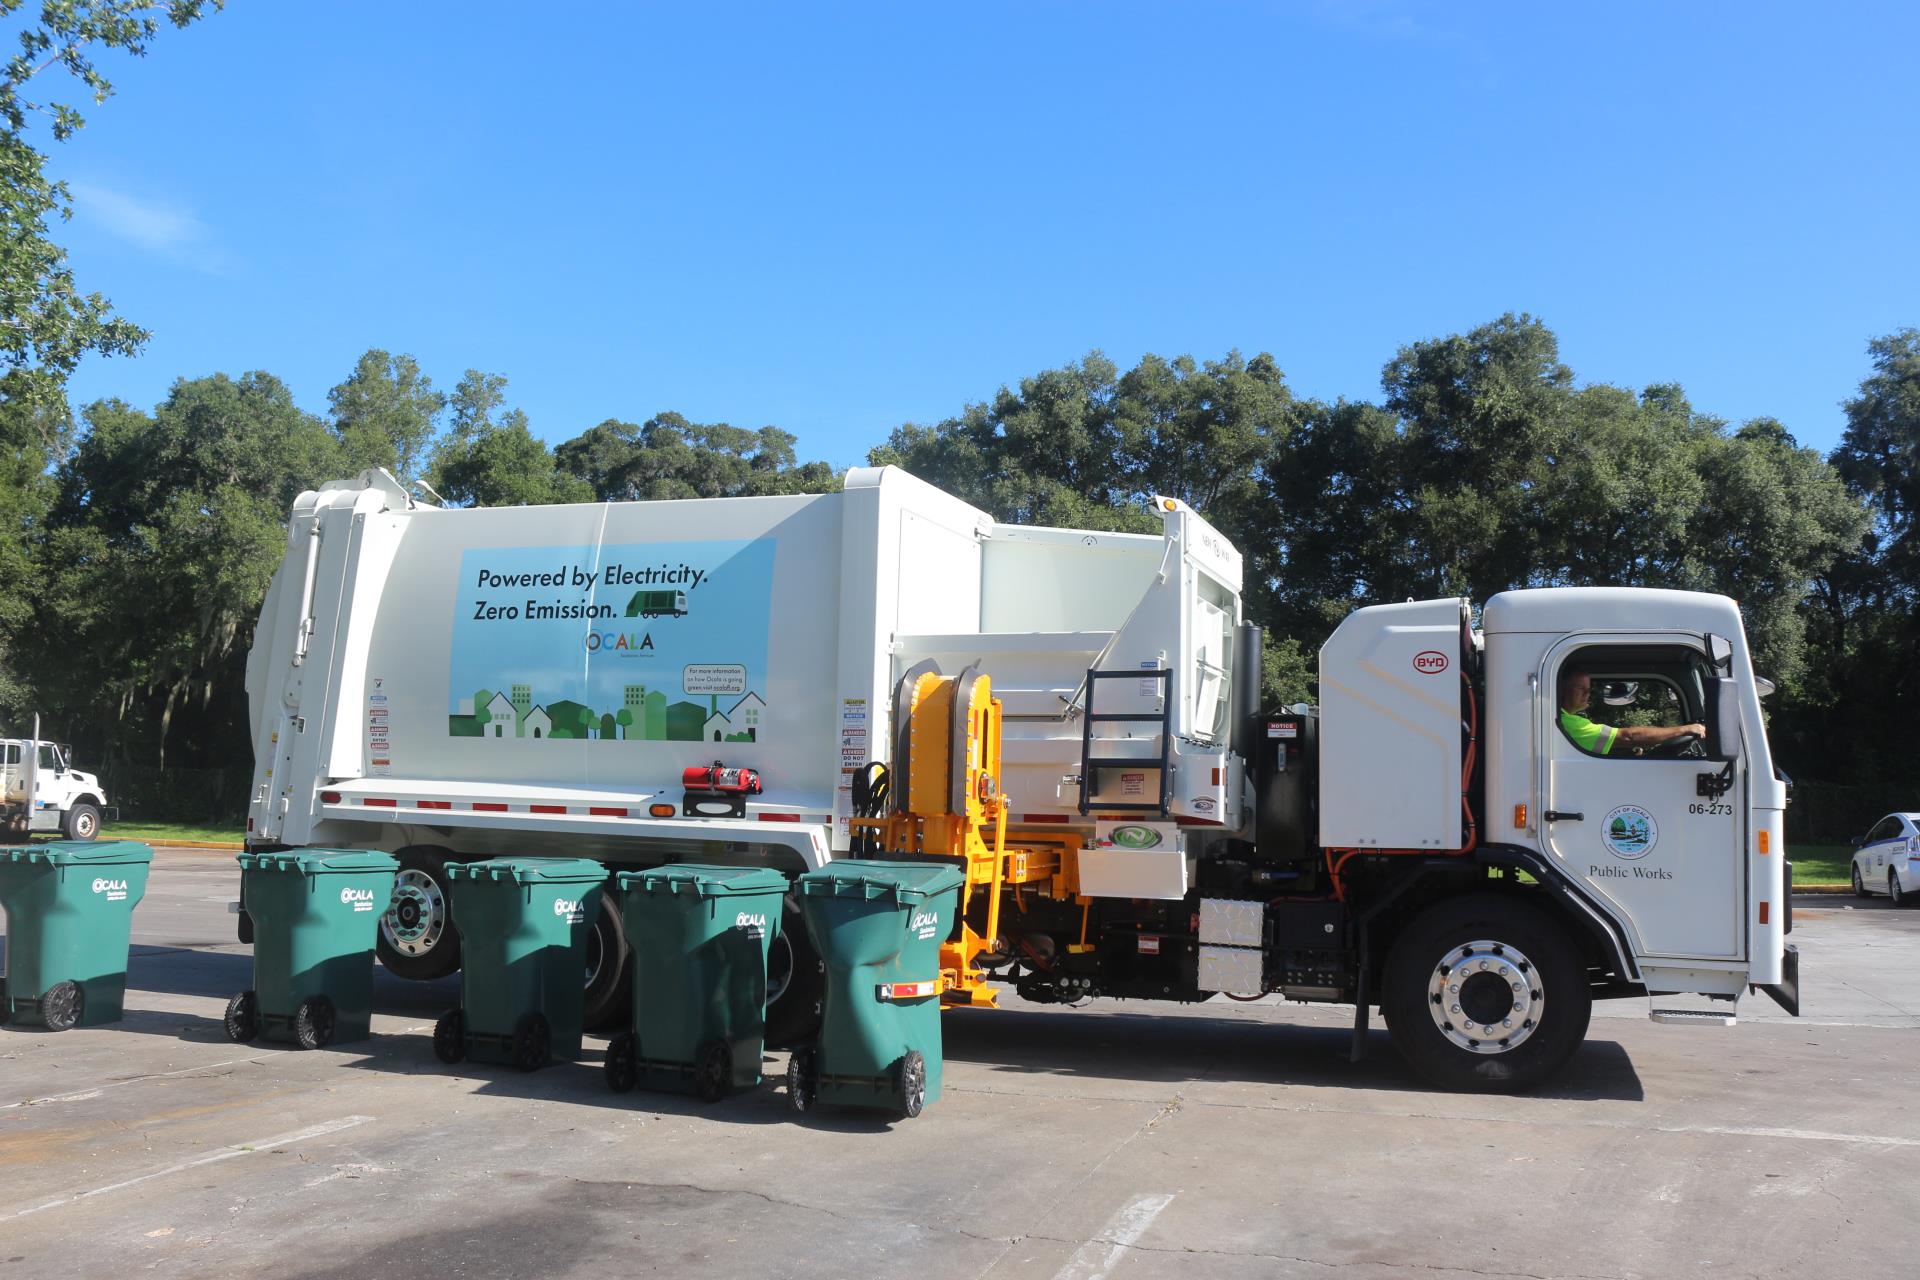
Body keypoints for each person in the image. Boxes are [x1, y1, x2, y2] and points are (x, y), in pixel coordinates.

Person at [1558, 669, 1705, 756]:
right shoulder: (1568, 723)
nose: (1588, 693)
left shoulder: (1565, 719)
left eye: (1589, 689)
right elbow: (1629, 736)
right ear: (1562, 690)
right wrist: (1684, 729)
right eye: (1581, 689)